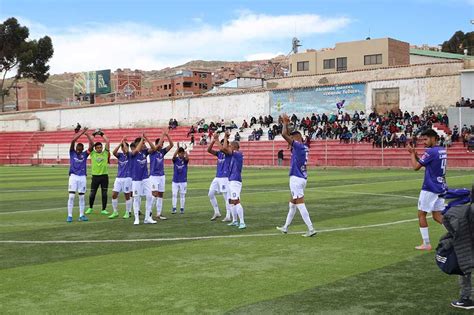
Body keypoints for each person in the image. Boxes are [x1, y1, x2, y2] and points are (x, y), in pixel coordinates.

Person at [276, 113, 317, 237]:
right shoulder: (304, 147)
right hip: (302, 177)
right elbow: (287, 135)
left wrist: (284, 123)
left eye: (293, 138)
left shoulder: (298, 146)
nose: (291, 140)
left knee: (299, 203)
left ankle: (311, 229)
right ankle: (286, 227)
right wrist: (286, 125)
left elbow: (284, 135)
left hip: (296, 177)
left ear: (297, 138)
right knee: (292, 204)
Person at [407, 129, 447, 250]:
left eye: (426, 139)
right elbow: (425, 163)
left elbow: (415, 167)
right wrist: (416, 155)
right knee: (437, 215)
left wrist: (411, 154)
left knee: (421, 214)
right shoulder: (441, 150)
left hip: (430, 187)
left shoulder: (431, 152)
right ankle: (458, 235)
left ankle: (426, 243)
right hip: (441, 186)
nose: (424, 142)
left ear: (434, 138)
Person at [67, 127, 93, 222]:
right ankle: (69, 215)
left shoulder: (84, 154)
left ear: (82, 149)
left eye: (80, 149)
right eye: (77, 148)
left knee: (82, 197)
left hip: (82, 177)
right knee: (71, 196)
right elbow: (73, 140)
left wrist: (87, 135)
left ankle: (81, 215)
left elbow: (92, 146)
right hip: (73, 176)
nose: (78, 150)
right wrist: (82, 132)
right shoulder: (72, 152)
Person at [221, 131, 246, 229]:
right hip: (231, 180)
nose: (229, 147)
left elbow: (224, 148)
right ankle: (235, 220)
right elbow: (224, 149)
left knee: (236, 201)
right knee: (231, 201)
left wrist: (226, 137)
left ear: (234, 147)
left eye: (231, 146)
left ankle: (242, 222)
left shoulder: (238, 154)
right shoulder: (232, 155)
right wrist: (226, 139)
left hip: (235, 181)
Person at [130, 133, 156, 225]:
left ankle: (147, 218)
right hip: (136, 179)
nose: (144, 145)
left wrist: (147, 138)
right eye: (142, 143)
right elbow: (136, 151)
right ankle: (136, 218)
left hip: (145, 178)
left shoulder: (145, 152)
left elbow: (154, 148)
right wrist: (142, 140)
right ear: (137, 144)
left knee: (149, 196)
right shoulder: (132, 153)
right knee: (136, 198)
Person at [207, 133, 233, 222]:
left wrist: (218, 139)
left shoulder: (229, 153)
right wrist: (214, 141)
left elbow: (223, 148)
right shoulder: (219, 154)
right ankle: (217, 212)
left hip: (225, 177)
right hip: (217, 177)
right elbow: (209, 150)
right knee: (210, 194)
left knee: (226, 197)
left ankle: (228, 215)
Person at [149, 130, 174, 219]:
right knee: (154, 194)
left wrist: (167, 135)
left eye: (163, 144)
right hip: (153, 176)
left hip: (161, 176)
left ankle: (159, 213)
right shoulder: (152, 151)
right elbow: (158, 145)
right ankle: (149, 211)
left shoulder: (162, 152)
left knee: (160, 194)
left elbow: (171, 145)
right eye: (161, 143)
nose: (162, 145)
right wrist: (162, 134)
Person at [85, 131, 110, 215]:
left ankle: (103, 209)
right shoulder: (92, 153)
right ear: (95, 148)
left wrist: (102, 134)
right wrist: (94, 134)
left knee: (104, 193)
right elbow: (90, 143)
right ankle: (90, 208)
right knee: (92, 193)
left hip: (104, 176)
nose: (99, 149)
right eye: (98, 147)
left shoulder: (105, 153)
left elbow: (108, 141)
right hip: (95, 177)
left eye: (100, 147)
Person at [110, 137, 133, 219]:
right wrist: (120, 143)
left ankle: (127, 212)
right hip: (119, 177)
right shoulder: (120, 155)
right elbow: (113, 152)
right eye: (122, 148)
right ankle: (115, 212)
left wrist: (124, 142)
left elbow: (126, 151)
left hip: (127, 178)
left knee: (127, 195)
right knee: (114, 195)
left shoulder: (130, 155)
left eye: (124, 147)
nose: (123, 149)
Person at [171, 144, 189, 214]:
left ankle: (182, 208)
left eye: (182, 153)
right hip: (175, 180)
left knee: (182, 195)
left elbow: (187, 158)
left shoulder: (185, 160)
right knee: (174, 194)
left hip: (183, 181)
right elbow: (173, 157)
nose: (180, 154)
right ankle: (174, 208)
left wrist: (185, 151)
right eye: (179, 153)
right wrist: (177, 149)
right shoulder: (175, 160)